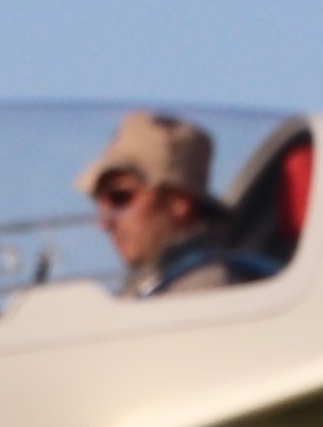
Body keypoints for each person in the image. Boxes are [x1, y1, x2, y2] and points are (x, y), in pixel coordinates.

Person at [82, 110, 271, 297]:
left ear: (178, 202)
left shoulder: (205, 285)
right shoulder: (149, 283)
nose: (104, 223)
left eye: (120, 197)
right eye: (98, 201)